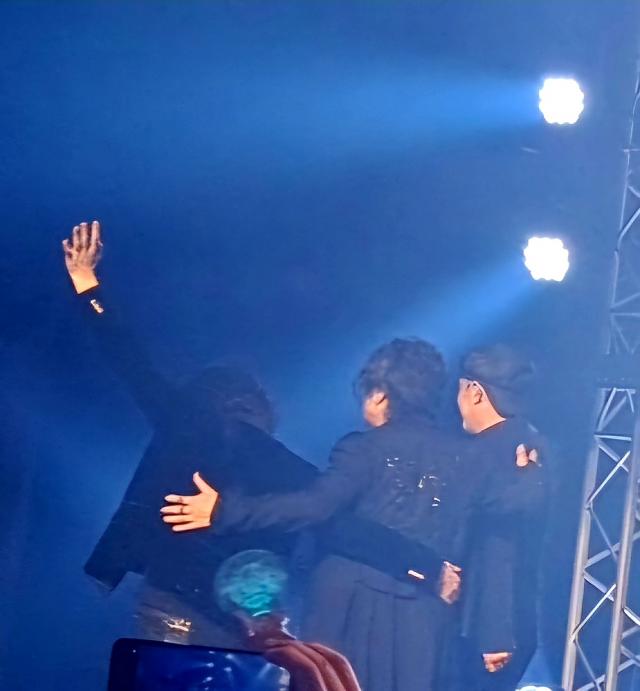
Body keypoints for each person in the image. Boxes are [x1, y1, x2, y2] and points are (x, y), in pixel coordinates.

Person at [62, 220, 457, 650]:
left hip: (172, 605)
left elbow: (132, 364)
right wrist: (424, 566)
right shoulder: (279, 463)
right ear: (259, 405)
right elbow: (343, 526)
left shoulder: (187, 427)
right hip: (237, 626)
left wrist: (88, 287)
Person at [162, 338, 469, 691]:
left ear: (380, 394)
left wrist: (227, 511)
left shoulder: (364, 447)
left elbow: (315, 506)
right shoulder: (463, 457)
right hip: (424, 610)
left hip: (349, 604)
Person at [449, 344, 549, 690]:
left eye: (460, 390)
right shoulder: (533, 445)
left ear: (476, 392)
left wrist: (494, 632)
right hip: (516, 619)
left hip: (483, 626)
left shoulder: (484, 453)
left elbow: (499, 549)